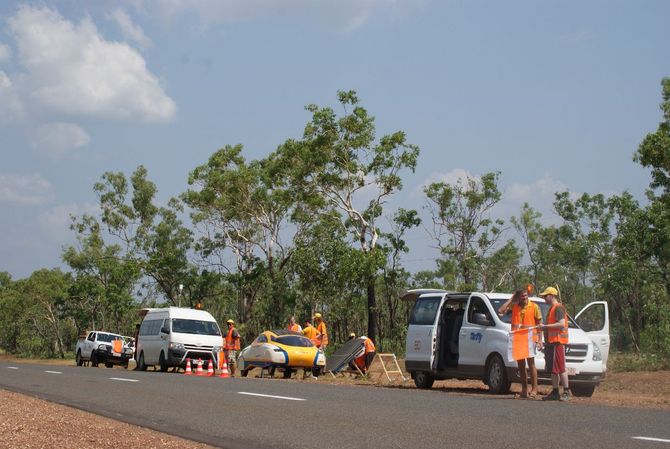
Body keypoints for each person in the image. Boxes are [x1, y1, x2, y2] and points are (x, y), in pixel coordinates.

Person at [498, 288, 542, 398]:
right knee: (521, 366)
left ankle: (534, 389)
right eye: (522, 296)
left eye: (526, 295)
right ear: (519, 297)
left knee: (531, 364)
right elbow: (501, 310)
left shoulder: (534, 306)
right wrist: (512, 298)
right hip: (517, 339)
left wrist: (540, 340)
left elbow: (540, 324)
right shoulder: (515, 306)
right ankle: (524, 390)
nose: (525, 298)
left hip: (530, 338)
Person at [539, 287, 571, 401]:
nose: (544, 298)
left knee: (561, 368)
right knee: (553, 369)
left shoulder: (558, 308)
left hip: (558, 342)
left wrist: (545, 327)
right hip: (551, 343)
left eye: (545, 296)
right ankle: (555, 391)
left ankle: (566, 391)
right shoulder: (551, 309)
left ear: (551, 296)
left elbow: (561, 324)